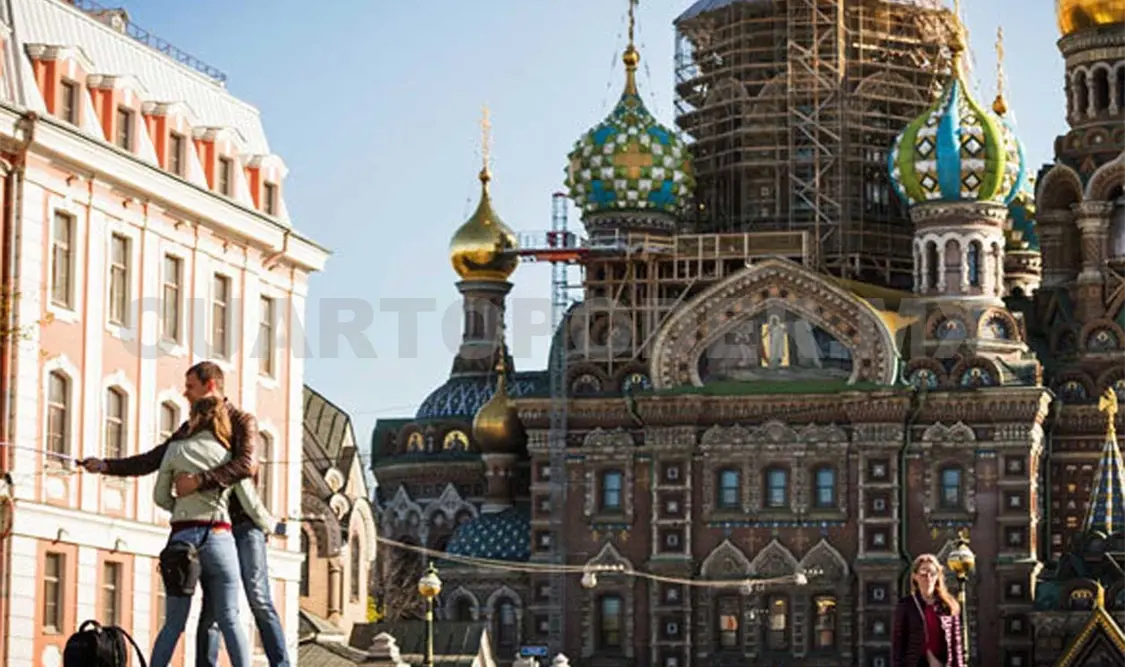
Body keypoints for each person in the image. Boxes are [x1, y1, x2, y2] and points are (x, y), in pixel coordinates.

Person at [80, 361, 290, 667]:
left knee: (257, 599)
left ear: (210, 386)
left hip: (240, 522)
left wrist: (194, 488)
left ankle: (280, 664)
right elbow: (154, 458)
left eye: (190, 386)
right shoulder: (189, 432)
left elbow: (246, 466)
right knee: (215, 612)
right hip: (218, 530)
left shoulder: (242, 420)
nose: (185, 393)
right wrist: (108, 465)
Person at [150, 396, 274, 667]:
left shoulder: (176, 450)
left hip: (183, 540)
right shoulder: (228, 455)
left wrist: (180, 509)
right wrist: (270, 526)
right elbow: (250, 503)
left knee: (173, 624)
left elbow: (159, 496)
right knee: (230, 618)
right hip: (219, 537)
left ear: (194, 418)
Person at [891, 553, 965, 667]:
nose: (928, 577)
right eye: (923, 573)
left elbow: (956, 644)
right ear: (915, 576)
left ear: (938, 576)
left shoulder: (948, 605)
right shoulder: (906, 606)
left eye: (933, 573)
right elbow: (898, 645)